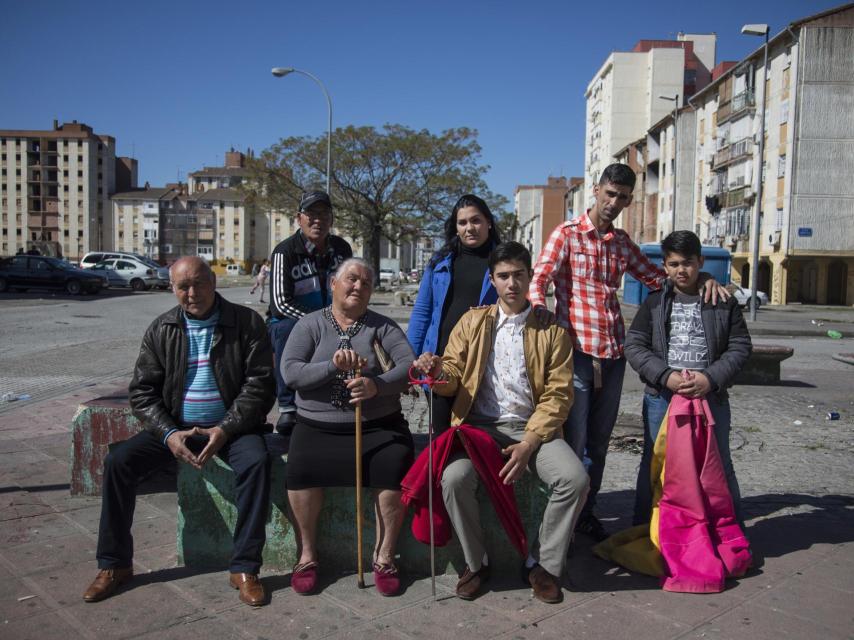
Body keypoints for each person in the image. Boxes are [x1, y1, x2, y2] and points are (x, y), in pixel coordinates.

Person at [529, 163, 727, 542]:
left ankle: (586, 513)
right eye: (609, 194)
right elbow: (539, 279)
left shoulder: (621, 242)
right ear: (597, 190)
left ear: (628, 200)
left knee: (600, 442)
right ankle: (561, 521)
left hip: (613, 355)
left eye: (621, 197)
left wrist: (701, 277)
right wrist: (540, 313)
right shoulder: (567, 234)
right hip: (575, 354)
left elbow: (656, 279)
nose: (613, 202)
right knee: (574, 441)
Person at [82, 257, 275, 607]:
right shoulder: (162, 328)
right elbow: (142, 393)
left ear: (212, 282)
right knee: (118, 462)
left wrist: (225, 428)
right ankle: (114, 564)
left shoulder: (246, 323)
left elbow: (260, 385)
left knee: (256, 462)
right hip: (176, 427)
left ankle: (245, 567)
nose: (192, 293)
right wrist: (169, 434)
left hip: (232, 427)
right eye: (183, 286)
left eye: (199, 283)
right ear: (172, 289)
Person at [413, 242, 589, 604]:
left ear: (530, 277)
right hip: (479, 429)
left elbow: (558, 395)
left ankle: (542, 565)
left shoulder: (551, 330)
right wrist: (438, 371)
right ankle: (476, 563)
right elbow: (453, 374)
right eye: (504, 276)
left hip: (532, 429)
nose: (512, 283)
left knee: (575, 479)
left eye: (518, 275)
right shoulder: (472, 322)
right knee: (453, 479)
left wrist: (529, 443)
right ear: (492, 280)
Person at [282, 258, 415, 597]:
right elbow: (291, 372)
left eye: (366, 283)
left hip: (377, 425)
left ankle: (384, 557)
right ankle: (307, 555)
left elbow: (408, 367)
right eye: (351, 279)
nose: (358, 286)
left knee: (394, 464)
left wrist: (376, 385)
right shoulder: (310, 324)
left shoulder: (383, 327)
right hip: (317, 426)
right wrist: (331, 367)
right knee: (301, 466)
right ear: (333, 284)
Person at [625, 230, 752, 525]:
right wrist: (664, 375)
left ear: (700, 262)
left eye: (688, 263)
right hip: (662, 397)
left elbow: (740, 346)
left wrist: (711, 378)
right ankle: (644, 529)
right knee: (655, 461)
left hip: (711, 397)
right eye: (674, 264)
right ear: (665, 266)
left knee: (718, 462)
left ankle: (728, 528)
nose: (681, 270)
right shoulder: (655, 303)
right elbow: (634, 345)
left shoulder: (722, 301)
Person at [407, 194, 502, 432]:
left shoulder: (502, 262)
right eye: (463, 222)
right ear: (455, 227)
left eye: (476, 220)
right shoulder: (440, 261)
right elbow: (422, 312)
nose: (470, 228)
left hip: (482, 364)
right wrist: (410, 358)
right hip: (439, 362)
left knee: (477, 437)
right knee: (442, 435)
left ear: (489, 222)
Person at [269, 190, 352, 435]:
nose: (318, 220)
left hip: (334, 318)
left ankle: (346, 395)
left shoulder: (342, 249)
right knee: (284, 328)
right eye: (311, 214)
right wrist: (319, 322)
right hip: (294, 321)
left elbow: (351, 288)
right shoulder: (284, 251)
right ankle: (287, 406)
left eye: (324, 214)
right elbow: (280, 304)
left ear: (332, 219)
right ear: (299, 218)